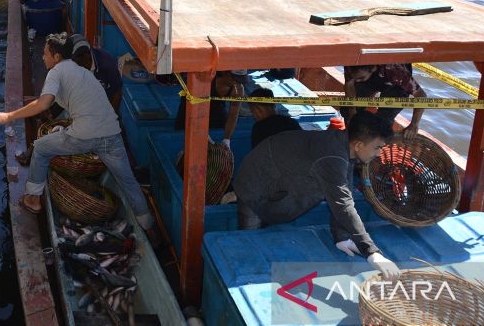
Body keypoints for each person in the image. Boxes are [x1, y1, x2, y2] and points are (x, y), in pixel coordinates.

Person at [0, 33, 155, 235]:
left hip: (85, 136)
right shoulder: (83, 72)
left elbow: (43, 103)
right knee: (128, 181)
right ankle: (149, 228)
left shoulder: (56, 71)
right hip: (112, 134)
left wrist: (9, 116)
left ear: (57, 57)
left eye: (45, 54)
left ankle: (33, 199)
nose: (43, 58)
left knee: (41, 147)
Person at [233, 111, 400, 280]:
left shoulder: (343, 144)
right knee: (249, 245)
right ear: (358, 145)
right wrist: (371, 252)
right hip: (254, 182)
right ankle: (244, 276)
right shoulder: (332, 156)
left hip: (278, 177)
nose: (379, 153)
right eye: (377, 147)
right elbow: (343, 204)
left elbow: (345, 191)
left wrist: (341, 237)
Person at [344, 64, 426, 140]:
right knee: (348, 112)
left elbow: (421, 95)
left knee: (383, 123)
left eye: (360, 78)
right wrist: (352, 111)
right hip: (371, 77)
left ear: (373, 69)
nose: (357, 81)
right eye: (355, 78)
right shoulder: (351, 66)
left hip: (396, 85)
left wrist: (414, 124)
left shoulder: (396, 71)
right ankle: (352, 141)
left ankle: (375, 147)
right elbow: (350, 84)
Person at [175, 70, 245, 149]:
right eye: (235, 79)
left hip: (217, 112)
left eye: (240, 80)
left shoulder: (238, 89)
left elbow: (233, 115)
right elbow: (194, 105)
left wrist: (227, 139)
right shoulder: (205, 76)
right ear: (226, 73)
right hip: (190, 108)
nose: (237, 83)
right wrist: (202, 132)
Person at [69, 34, 123, 112]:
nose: (72, 64)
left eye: (74, 60)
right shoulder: (73, 67)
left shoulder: (107, 62)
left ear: (86, 56)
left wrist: (112, 117)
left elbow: (117, 91)